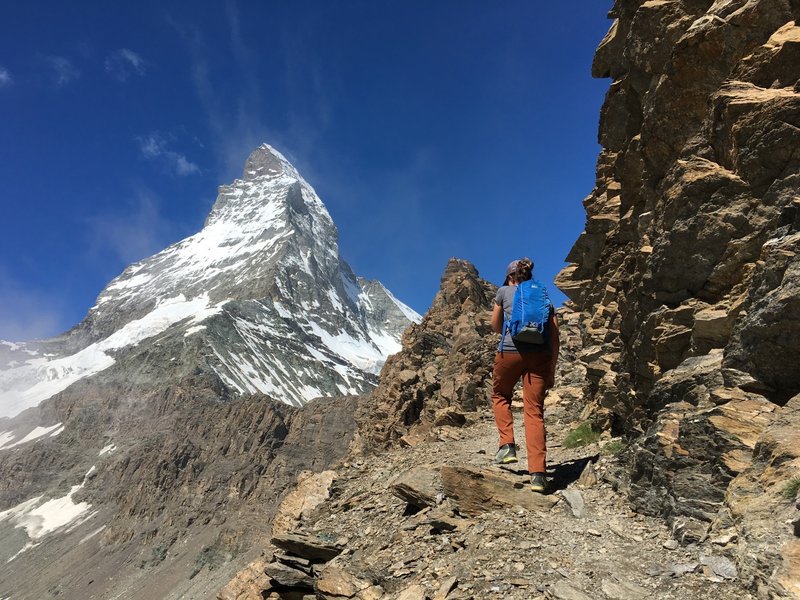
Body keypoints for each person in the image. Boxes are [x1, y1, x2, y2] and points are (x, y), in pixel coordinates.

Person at [490, 258, 560, 493]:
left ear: (510, 276)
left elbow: (495, 326)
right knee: (534, 411)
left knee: (500, 395)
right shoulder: (544, 298)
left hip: (510, 352)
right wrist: (550, 370)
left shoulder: (503, 292)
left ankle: (507, 445)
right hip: (539, 356)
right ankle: (538, 475)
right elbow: (555, 336)